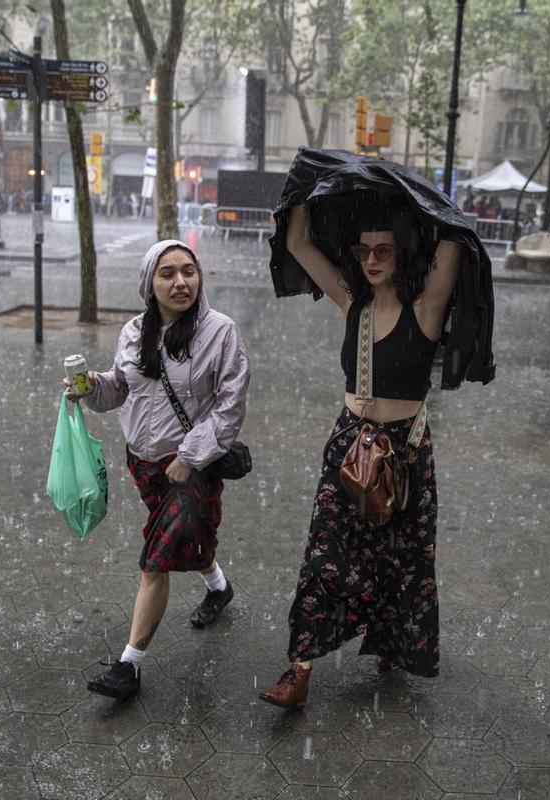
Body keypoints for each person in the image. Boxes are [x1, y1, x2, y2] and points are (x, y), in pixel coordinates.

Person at [258, 200, 460, 709]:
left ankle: (392, 643)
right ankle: (299, 671)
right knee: (324, 556)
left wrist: (422, 207)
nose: (371, 260)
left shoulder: (427, 307)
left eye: (383, 250)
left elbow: (456, 240)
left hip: (407, 455)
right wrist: (304, 192)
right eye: (363, 250)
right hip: (349, 448)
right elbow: (299, 244)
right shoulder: (354, 303)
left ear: (401, 253)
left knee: (403, 559)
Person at [69, 240, 250, 703]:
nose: (180, 282)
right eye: (167, 273)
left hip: (191, 469)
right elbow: (118, 389)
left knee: (157, 559)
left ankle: (129, 667)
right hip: (144, 465)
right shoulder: (134, 332)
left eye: (188, 271)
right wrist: (91, 387)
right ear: (149, 283)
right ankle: (219, 587)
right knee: (187, 542)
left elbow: (229, 407)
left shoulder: (220, 332)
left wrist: (189, 457)